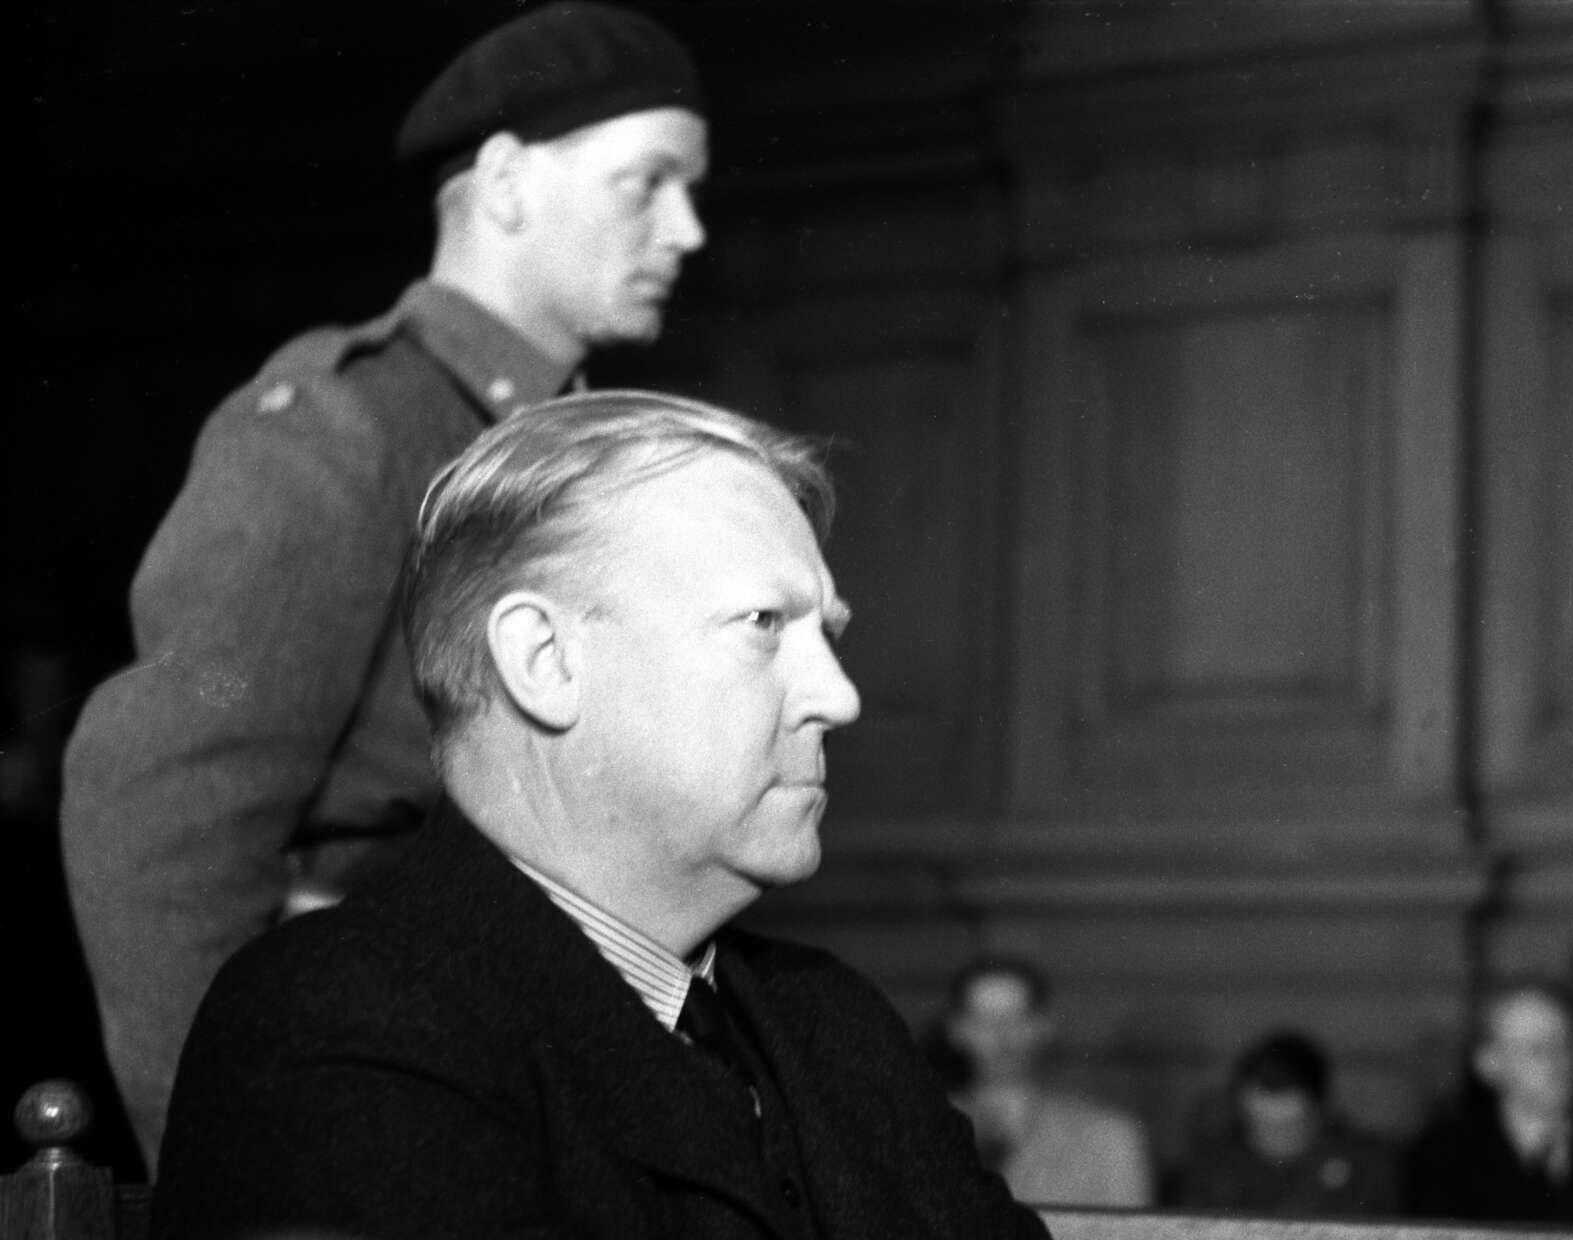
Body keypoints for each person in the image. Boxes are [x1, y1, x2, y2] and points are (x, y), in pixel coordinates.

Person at [59, 1, 709, 1175]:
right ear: (505, 181)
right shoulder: (347, 425)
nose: (688, 228)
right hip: (374, 1078)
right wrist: (243, 1162)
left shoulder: (582, 454)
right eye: (648, 181)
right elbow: (161, 813)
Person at [151, 390, 1051, 1239]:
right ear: (543, 660)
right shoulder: (343, 1020)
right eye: (764, 623)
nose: (840, 697)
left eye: (830, 634)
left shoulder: (833, 1022)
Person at [937, 955, 1153, 1208]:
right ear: (956, 1029)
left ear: (1044, 1025)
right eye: (982, 1020)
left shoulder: (1109, 1138)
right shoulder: (919, 1131)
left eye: (1018, 1018)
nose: (1002, 1037)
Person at [1404, 978, 1573, 1224]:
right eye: (1536, 1049)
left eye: (1567, 1043)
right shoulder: (1443, 1159)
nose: (1558, 1061)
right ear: (1488, 1063)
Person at [1175, 1029, 1399, 1216]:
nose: (1274, 1133)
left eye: (1288, 1125)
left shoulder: (1366, 1167)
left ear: (1318, 1110)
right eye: (1261, 1122)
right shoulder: (1214, 1166)